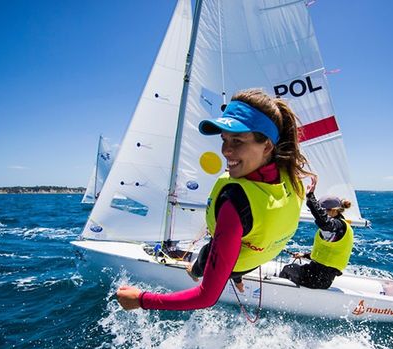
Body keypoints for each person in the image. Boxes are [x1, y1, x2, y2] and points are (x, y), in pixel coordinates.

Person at [116, 88, 312, 311]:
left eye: (237, 140)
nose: (226, 151)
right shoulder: (292, 177)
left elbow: (205, 298)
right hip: (256, 255)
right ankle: (231, 274)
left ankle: (198, 270)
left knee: (207, 253)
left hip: (236, 262)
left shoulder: (235, 203)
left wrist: (141, 299)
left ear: (267, 145)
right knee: (224, 247)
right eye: (224, 139)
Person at [279, 179, 354, 289]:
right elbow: (327, 254)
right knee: (295, 268)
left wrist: (310, 198)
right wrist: (304, 255)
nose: (322, 214)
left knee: (288, 268)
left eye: (324, 211)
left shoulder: (337, 226)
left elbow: (324, 222)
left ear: (334, 211)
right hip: (321, 277)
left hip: (316, 279)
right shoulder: (340, 228)